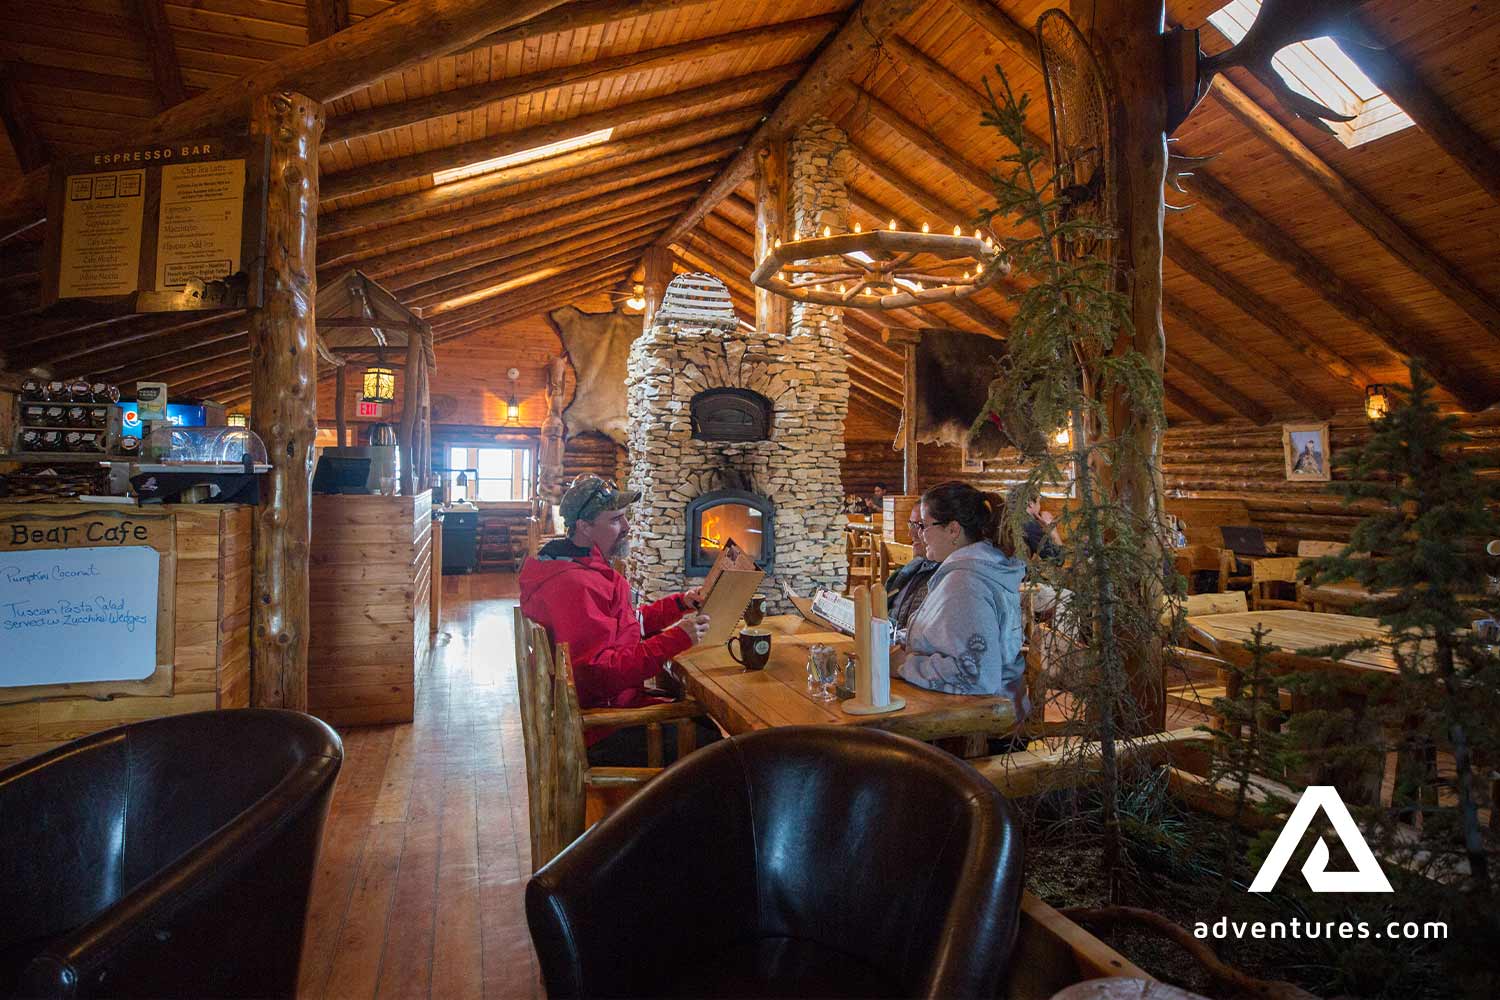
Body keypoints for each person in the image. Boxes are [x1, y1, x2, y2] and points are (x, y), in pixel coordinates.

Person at [518, 475, 717, 765]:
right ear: (584, 527)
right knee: (723, 751)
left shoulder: (581, 567)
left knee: (708, 726)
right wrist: (677, 638)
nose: (626, 527)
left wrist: (678, 604)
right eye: (615, 520)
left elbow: (622, 625)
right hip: (600, 728)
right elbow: (598, 674)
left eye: (625, 518)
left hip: (610, 711)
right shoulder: (575, 585)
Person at [897, 482, 1029, 725]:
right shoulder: (969, 570)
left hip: (984, 725)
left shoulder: (966, 582)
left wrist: (906, 664)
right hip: (990, 711)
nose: (919, 534)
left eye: (924, 526)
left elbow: (977, 676)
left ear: (953, 530)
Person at [885, 505, 939, 632]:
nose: (911, 534)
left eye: (920, 525)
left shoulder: (946, 578)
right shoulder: (912, 569)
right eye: (911, 524)